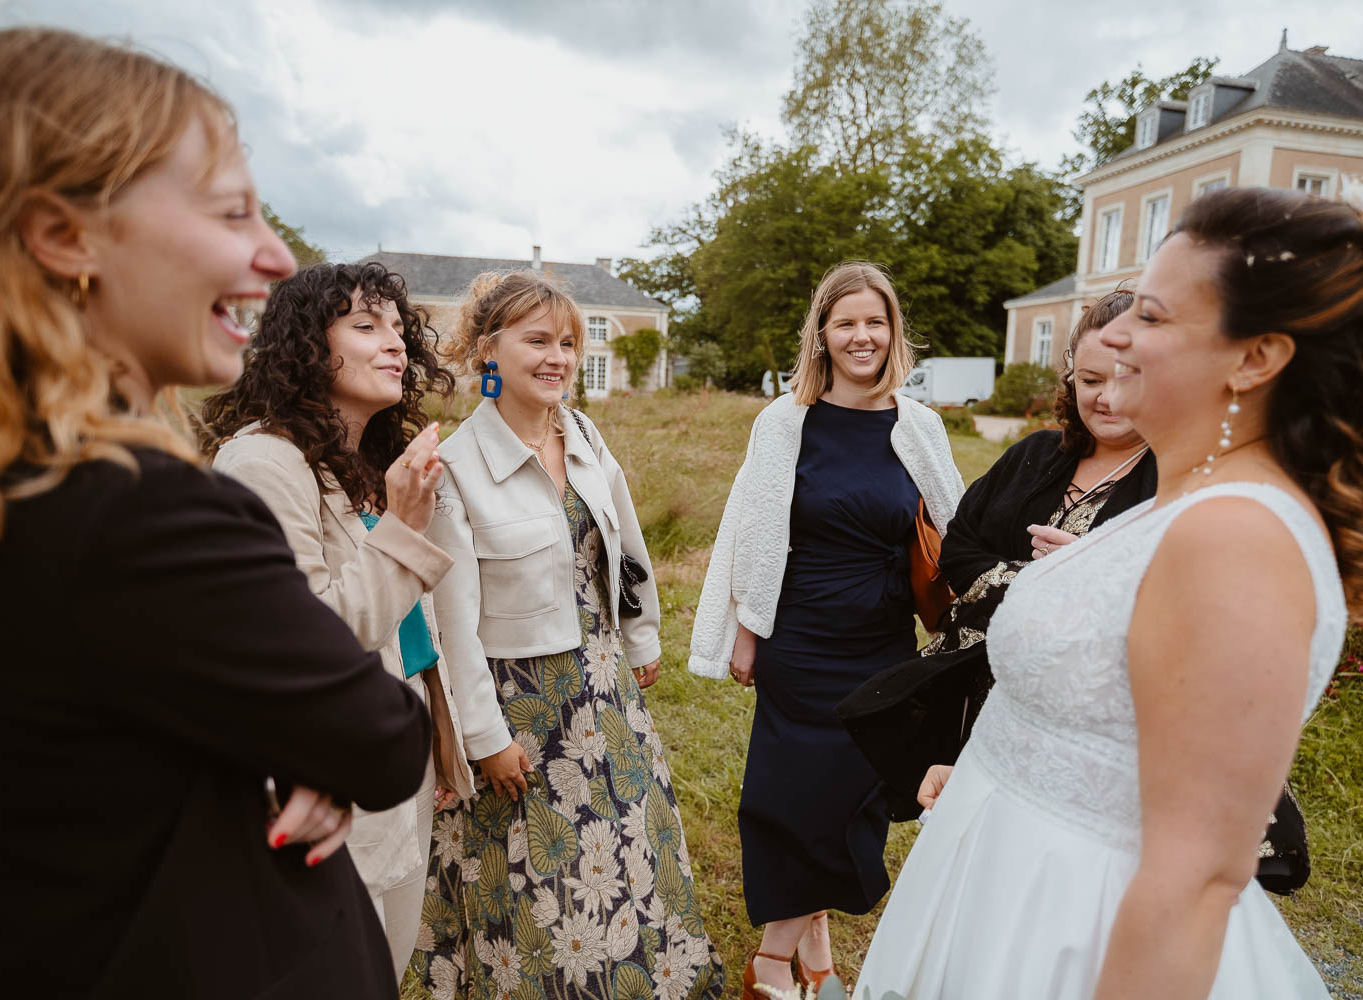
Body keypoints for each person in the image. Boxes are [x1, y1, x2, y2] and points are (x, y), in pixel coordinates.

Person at [855, 186, 1363, 999]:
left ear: (1254, 358)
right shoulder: (1177, 506)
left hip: (1075, 933)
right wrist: (995, 768)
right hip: (996, 874)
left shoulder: (1238, 540)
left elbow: (1196, 876)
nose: (1114, 337)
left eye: (1151, 318)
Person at [0, 28, 432, 999]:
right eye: (231, 212)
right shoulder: (127, 506)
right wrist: (290, 740)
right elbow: (378, 731)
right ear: (65, 235)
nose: (271, 256)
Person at [428, 270, 725, 1000]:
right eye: (538, 341)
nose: (558, 357)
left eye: (567, 343)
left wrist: (641, 640)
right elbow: (452, 626)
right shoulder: (456, 468)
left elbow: (627, 554)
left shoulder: (585, 435)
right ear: (487, 350)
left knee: (635, 855)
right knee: (541, 888)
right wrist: (484, 739)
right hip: (521, 709)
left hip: (604, 691)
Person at [688, 261, 964, 998]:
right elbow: (748, 526)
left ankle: (786, 957)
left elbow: (956, 526)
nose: (862, 336)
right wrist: (746, 627)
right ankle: (790, 960)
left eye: (875, 322)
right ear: (823, 334)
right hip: (800, 638)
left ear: (893, 332)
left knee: (854, 797)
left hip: (881, 642)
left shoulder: (920, 426)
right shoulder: (785, 422)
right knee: (791, 798)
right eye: (846, 322)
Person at [199, 260, 473, 983]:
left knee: (392, 959)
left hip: (395, 750)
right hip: (324, 774)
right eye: (364, 326)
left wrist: (433, 742)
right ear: (306, 347)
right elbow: (309, 645)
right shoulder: (263, 460)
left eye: (398, 330)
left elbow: (412, 629)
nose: (395, 346)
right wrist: (407, 527)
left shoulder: (369, 460)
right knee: (347, 969)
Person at [838, 289, 1155, 819]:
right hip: (985, 705)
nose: (1106, 399)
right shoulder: (1033, 455)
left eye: (1127, 379)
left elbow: (1195, 613)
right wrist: (1028, 581)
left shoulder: (1181, 487)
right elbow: (960, 543)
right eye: (1092, 381)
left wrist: (1091, 569)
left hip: (1094, 731)